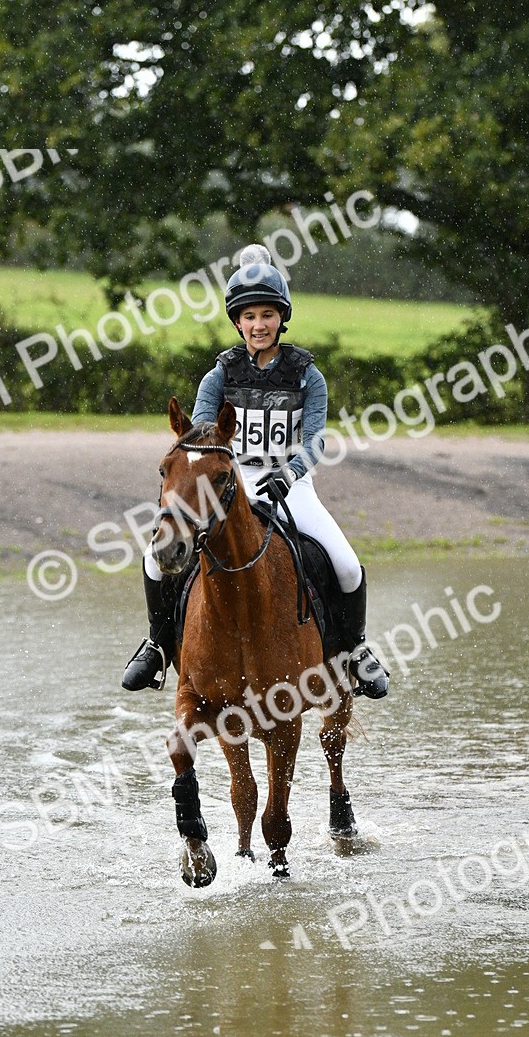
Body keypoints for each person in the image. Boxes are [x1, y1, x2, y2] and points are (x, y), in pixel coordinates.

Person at [121, 244, 389, 699]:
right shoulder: (218, 376)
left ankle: (355, 650)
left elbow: (315, 441)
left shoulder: (308, 375)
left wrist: (291, 473)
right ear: (237, 322)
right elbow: (202, 439)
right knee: (154, 558)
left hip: (291, 483)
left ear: (281, 318)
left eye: (267, 314)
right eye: (249, 316)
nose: (258, 324)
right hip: (228, 480)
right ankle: (158, 646)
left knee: (346, 565)